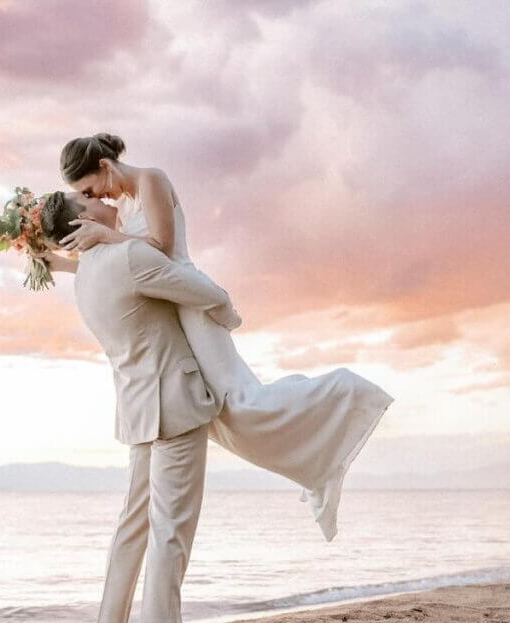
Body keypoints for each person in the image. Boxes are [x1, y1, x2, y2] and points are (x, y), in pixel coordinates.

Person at [47, 132, 395, 543]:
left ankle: (346, 393)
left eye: (88, 190)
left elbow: (159, 247)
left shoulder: (151, 181)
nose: (93, 201)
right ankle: (313, 466)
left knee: (241, 402)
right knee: (226, 416)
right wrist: (59, 263)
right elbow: (122, 265)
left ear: (104, 168)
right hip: (170, 309)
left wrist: (108, 236)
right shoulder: (123, 204)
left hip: (192, 306)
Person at [38, 190, 241, 623]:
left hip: (136, 408)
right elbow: (205, 292)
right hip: (174, 403)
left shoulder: (84, 275)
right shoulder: (128, 255)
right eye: (86, 197)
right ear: (84, 218)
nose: (101, 198)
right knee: (173, 525)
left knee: (135, 517)